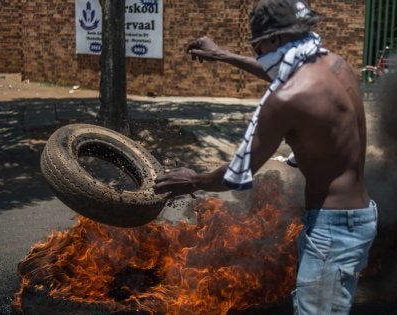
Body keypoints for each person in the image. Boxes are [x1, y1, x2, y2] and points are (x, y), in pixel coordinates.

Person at [154, 0, 377, 313]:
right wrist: (222, 55)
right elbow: (284, 69)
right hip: (359, 215)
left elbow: (236, 174)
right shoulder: (335, 65)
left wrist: (192, 179)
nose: (257, 51)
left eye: (258, 44)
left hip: (333, 229)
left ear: (275, 40)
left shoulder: (286, 99)